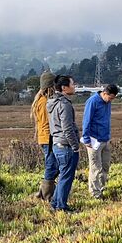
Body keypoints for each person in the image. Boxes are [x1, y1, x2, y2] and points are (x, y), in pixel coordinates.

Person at [46, 75, 81, 211]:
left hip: (56, 144)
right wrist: (75, 146)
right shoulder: (64, 104)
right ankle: (61, 206)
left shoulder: (52, 102)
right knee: (66, 177)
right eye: (72, 84)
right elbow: (67, 128)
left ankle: (56, 203)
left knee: (63, 176)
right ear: (64, 88)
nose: (74, 86)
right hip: (65, 146)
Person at [82, 83, 119, 198]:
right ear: (104, 93)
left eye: (113, 98)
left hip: (105, 139)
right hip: (94, 140)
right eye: (110, 98)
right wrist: (86, 138)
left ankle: (101, 188)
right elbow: (86, 120)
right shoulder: (93, 101)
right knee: (95, 168)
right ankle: (95, 193)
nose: (110, 100)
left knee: (105, 166)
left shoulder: (108, 103)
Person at [31, 77, 57, 199]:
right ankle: (46, 194)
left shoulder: (41, 100)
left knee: (51, 165)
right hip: (48, 139)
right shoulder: (44, 102)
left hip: (45, 138)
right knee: (52, 165)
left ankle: (44, 191)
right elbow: (48, 123)